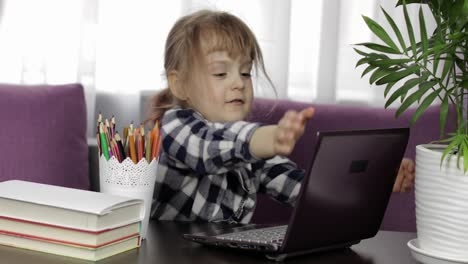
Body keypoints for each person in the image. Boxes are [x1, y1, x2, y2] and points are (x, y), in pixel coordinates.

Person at [147, 10, 415, 223]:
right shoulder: (174, 126)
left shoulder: (254, 152)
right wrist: (269, 137)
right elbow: (208, 148)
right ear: (180, 84)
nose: (239, 83)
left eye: (245, 72)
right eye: (220, 73)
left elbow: (305, 191)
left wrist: (376, 181)